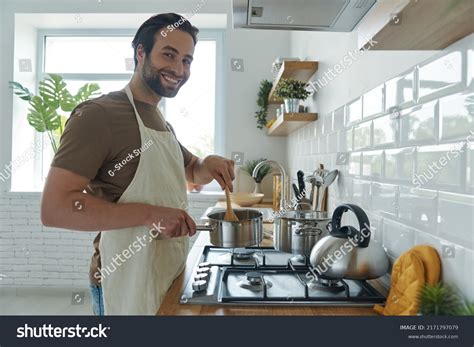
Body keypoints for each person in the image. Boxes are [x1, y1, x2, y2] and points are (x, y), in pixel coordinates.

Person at [40, 13, 235, 315]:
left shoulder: (160, 123)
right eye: (168, 54)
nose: (178, 68)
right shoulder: (99, 115)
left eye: (187, 60)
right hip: (122, 279)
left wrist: (209, 162)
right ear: (140, 53)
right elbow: (55, 208)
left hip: (167, 269)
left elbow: (192, 169)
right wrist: (150, 215)